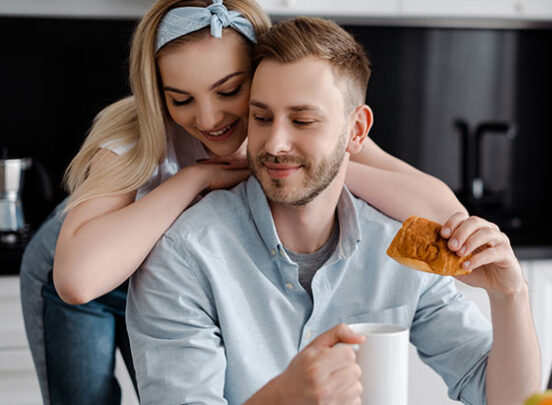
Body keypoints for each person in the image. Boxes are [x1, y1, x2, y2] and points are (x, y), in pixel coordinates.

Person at [19, 1, 465, 404]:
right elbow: (77, 280)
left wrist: (314, 167)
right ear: (158, 95)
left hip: (171, 277)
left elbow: (445, 213)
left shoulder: (286, 122)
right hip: (89, 270)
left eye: (230, 91)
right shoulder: (133, 138)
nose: (209, 118)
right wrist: (196, 177)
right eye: (181, 99)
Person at [127, 16, 541, 405]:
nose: (275, 144)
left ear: (356, 131)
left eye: (303, 121)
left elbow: (500, 396)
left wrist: (511, 295)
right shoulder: (184, 254)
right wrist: (281, 399)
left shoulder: (399, 249)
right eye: (261, 117)